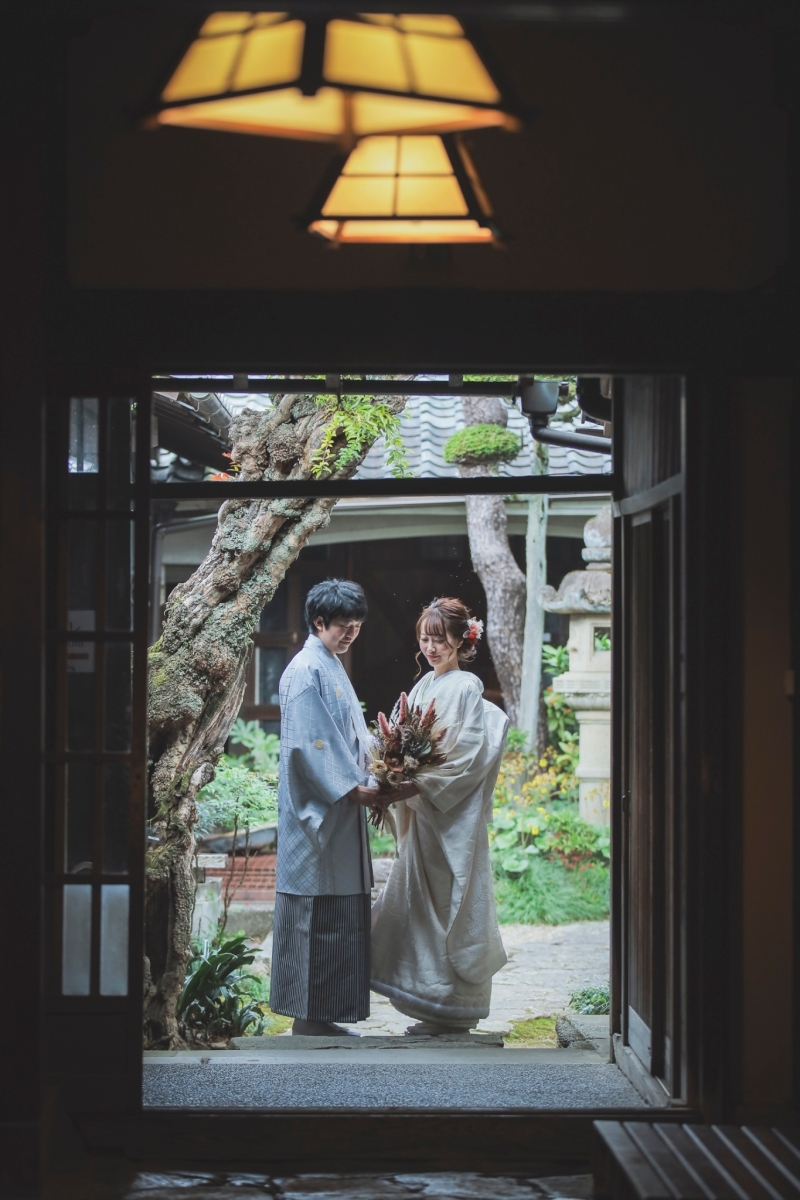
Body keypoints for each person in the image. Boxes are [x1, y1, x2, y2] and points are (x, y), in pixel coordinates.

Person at [371, 597, 509, 1035]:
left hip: (447, 815)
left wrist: (417, 783)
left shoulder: (466, 685)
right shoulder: (424, 685)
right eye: (425, 638)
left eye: (440, 638)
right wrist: (392, 773)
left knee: (449, 904)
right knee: (418, 907)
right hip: (423, 814)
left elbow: (465, 755)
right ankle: (430, 1005)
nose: (431, 647)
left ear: (460, 640)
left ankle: (452, 1008)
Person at [270, 579, 379, 1036]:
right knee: (312, 922)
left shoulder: (330, 663)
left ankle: (323, 1016)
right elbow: (309, 744)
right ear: (319, 623)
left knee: (337, 923)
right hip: (316, 818)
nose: (351, 633)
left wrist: (382, 765)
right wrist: (353, 786)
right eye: (343, 627)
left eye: (356, 626)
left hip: (337, 814)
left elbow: (352, 734)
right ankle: (308, 1019)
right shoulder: (304, 670)